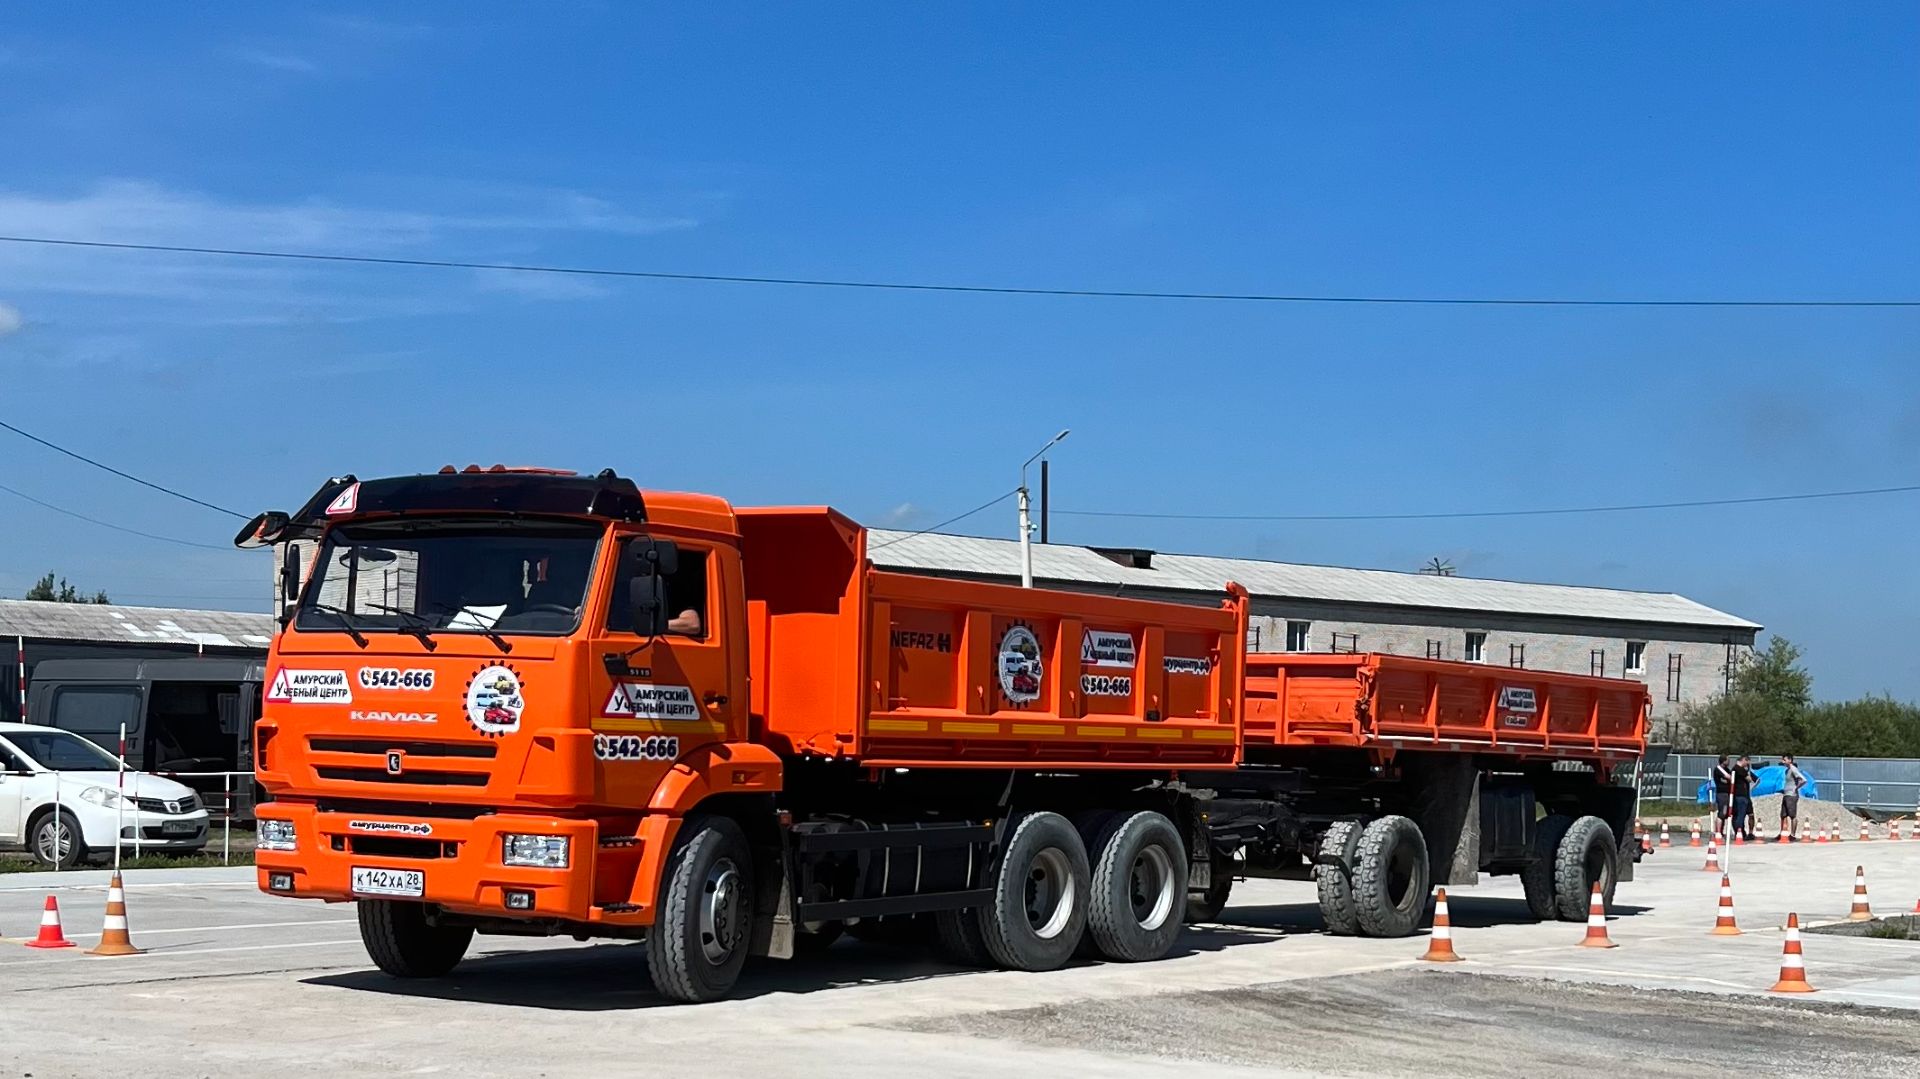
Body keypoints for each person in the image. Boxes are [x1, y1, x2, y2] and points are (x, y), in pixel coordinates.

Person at [1779, 754, 1808, 840]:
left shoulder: (1793, 769)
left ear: (1790, 760)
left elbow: (1803, 780)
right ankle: (1782, 833)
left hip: (1792, 795)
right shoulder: (1787, 770)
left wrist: (1796, 788)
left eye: (1784, 760)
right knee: (1783, 815)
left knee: (1792, 815)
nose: (1783, 761)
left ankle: (1793, 835)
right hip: (1786, 794)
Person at [1731, 754, 1756, 841]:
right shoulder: (1740, 769)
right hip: (1742, 795)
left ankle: (1739, 832)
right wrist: (1747, 772)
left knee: (1736, 815)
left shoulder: (1733, 769)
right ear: (1744, 760)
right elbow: (1749, 779)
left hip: (1735, 795)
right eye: (1747, 762)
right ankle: (1740, 833)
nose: (1748, 764)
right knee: (1740, 816)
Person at [1711, 754, 1734, 836]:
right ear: (1723, 761)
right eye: (1728, 760)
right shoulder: (1718, 769)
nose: (1729, 762)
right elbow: (1729, 777)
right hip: (1721, 794)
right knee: (1722, 813)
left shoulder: (1727, 769)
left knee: (1726, 813)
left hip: (1727, 793)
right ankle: (1717, 831)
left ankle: (1721, 831)